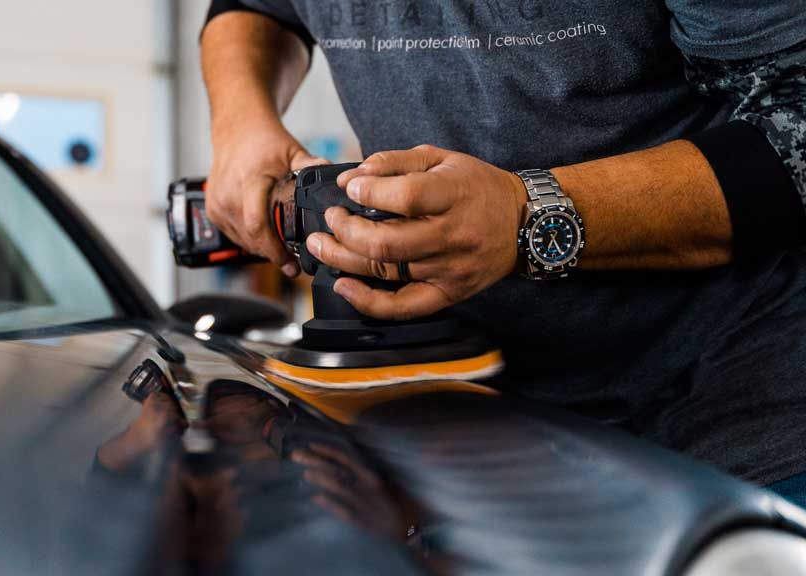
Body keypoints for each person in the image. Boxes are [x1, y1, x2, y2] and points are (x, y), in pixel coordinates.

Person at [199, 0, 806, 506]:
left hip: (743, 409)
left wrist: (527, 215)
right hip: (476, 423)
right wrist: (239, 121)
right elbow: (255, 6)